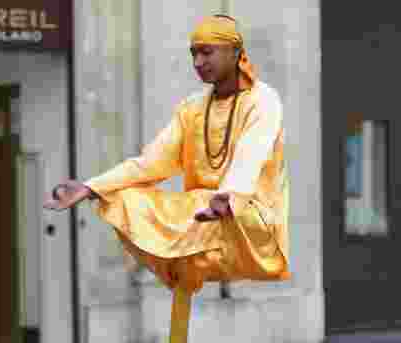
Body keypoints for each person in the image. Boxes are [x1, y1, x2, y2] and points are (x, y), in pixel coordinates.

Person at [45, 14, 289, 294]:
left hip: (249, 216)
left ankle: (190, 251)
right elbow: (150, 163)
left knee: (199, 208)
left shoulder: (263, 99)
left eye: (206, 52)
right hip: (202, 214)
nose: (198, 63)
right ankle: (181, 267)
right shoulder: (192, 108)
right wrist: (90, 188)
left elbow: (251, 154)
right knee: (124, 198)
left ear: (235, 52)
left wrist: (228, 197)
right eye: (193, 54)